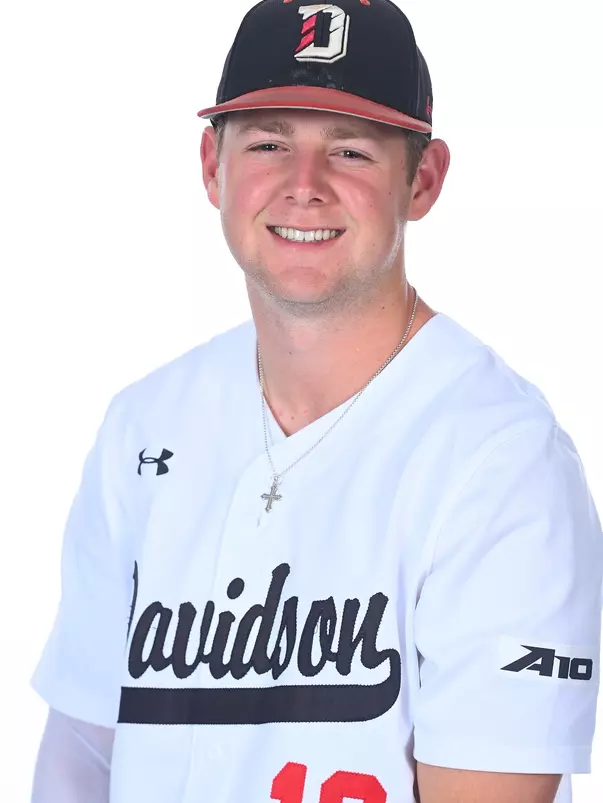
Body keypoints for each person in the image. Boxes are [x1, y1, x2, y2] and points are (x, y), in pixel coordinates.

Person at [30, 1, 603, 801]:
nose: (304, 186)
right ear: (212, 166)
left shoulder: (500, 461)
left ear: (422, 180)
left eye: (350, 151)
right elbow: (82, 755)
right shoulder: (142, 425)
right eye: (268, 144)